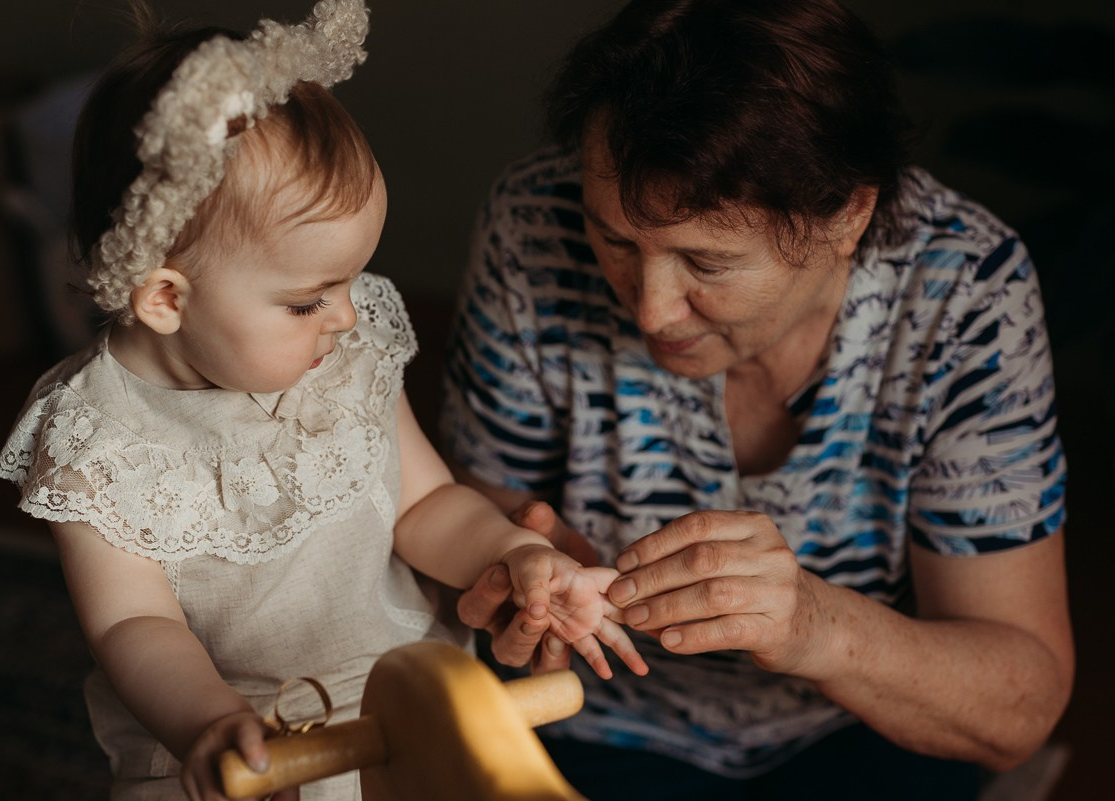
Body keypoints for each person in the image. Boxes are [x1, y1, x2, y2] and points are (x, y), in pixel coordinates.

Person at [0, 3, 645, 800]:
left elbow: (428, 502)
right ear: (165, 298)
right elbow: (135, 625)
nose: (345, 313)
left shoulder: (345, 351)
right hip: (251, 742)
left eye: (351, 280)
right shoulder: (98, 440)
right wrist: (208, 721)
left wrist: (511, 553)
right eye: (308, 299)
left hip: (404, 697)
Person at [443, 1, 1074, 799]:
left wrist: (814, 626)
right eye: (615, 240)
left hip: (856, 729)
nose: (649, 311)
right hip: (585, 716)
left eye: (706, 262)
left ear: (848, 215)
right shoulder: (533, 225)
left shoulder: (964, 292)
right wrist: (515, 571)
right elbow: (477, 524)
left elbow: (1021, 705)